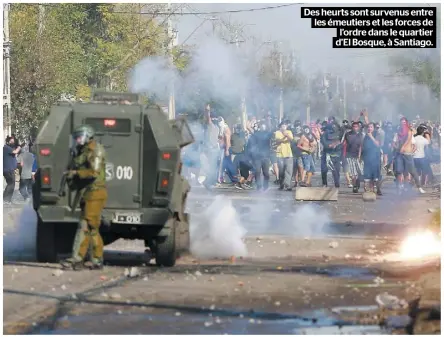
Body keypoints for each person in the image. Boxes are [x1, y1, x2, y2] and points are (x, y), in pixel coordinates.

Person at [61, 125, 108, 270]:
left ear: (87, 136)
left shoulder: (96, 150)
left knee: (88, 226)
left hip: (95, 193)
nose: (77, 140)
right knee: (88, 227)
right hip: (87, 193)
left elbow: (94, 172)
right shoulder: (83, 150)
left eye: (79, 137)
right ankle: (88, 259)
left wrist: (76, 173)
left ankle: (86, 258)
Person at [248, 121, 272, 191]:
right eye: (261, 126)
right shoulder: (256, 133)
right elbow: (248, 128)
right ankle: (259, 186)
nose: (262, 127)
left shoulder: (268, 134)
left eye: (264, 126)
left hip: (265, 156)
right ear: (259, 127)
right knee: (257, 172)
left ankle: (266, 186)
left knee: (266, 173)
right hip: (257, 156)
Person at [362, 123, 384, 195]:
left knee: (376, 175)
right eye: (368, 127)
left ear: (374, 128)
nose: (369, 128)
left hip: (376, 158)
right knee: (368, 174)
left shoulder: (376, 134)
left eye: (371, 127)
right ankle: (370, 190)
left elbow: (378, 144)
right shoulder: (366, 135)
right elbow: (363, 146)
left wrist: (371, 136)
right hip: (367, 158)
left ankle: (378, 189)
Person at [320, 119, 342, 188]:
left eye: (335, 126)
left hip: (336, 155)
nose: (334, 127)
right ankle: (324, 183)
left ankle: (337, 184)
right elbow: (324, 143)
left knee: (336, 171)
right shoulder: (326, 133)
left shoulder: (340, 134)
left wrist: (337, 144)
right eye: (332, 126)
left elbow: (341, 144)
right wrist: (332, 145)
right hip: (326, 154)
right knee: (324, 170)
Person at [343, 122, 364, 193]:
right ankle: (355, 186)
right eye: (354, 126)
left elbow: (361, 146)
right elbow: (344, 144)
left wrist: (359, 155)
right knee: (353, 172)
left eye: (356, 126)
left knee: (359, 172)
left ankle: (357, 183)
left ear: (358, 127)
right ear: (352, 127)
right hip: (349, 156)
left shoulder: (361, 135)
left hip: (358, 156)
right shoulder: (347, 134)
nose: (355, 128)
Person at [274, 121, 294, 191]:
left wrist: (286, 135)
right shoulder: (277, 133)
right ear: (280, 127)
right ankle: (281, 184)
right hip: (280, 154)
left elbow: (291, 139)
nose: (284, 127)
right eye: (283, 126)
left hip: (288, 154)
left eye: (285, 126)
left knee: (289, 170)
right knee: (281, 171)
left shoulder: (289, 132)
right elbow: (278, 141)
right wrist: (284, 137)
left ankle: (287, 185)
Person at [3, 136, 21, 204]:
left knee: (11, 184)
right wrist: (19, 147)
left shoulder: (9, 148)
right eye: (11, 141)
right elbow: (16, 152)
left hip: (10, 169)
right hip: (8, 169)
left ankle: (6, 199)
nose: (13, 142)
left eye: (13, 141)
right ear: (8, 142)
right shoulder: (6, 148)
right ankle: (6, 200)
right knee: (11, 184)